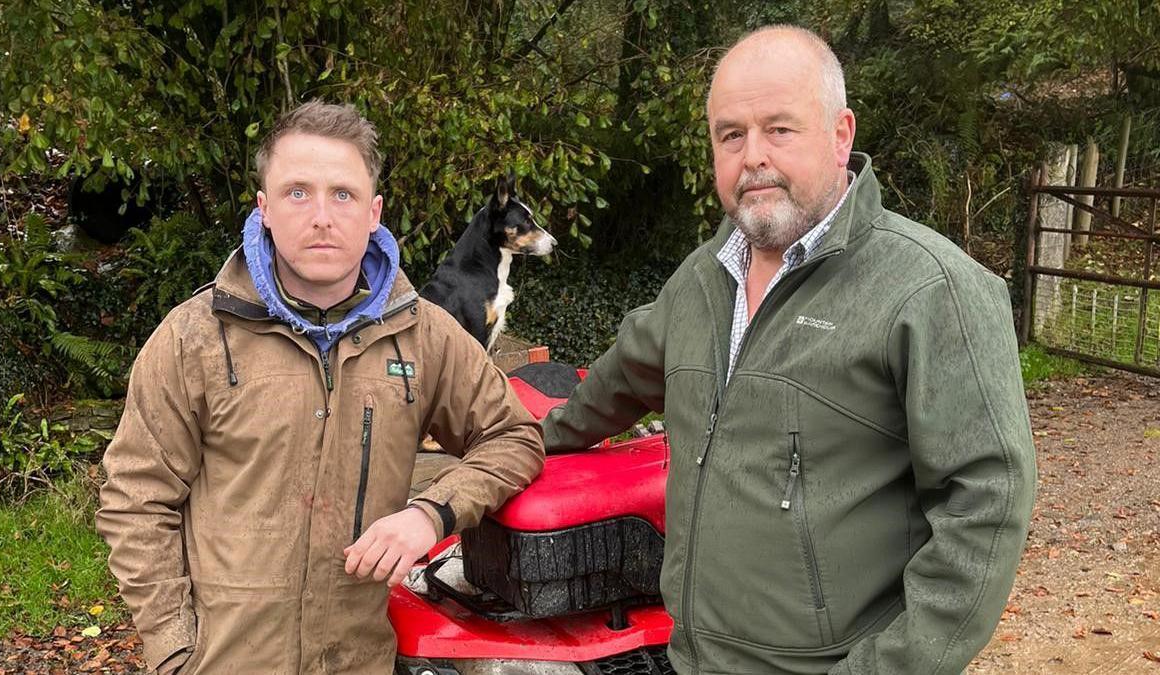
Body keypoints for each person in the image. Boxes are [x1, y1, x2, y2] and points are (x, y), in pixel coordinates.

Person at [542, 26, 1036, 674]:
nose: (752, 157)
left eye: (780, 129)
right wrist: (537, 440)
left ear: (841, 135)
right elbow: (619, 378)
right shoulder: (698, 281)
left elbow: (988, 502)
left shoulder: (930, 289)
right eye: (730, 134)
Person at [97, 100, 545, 674]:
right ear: (263, 208)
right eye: (297, 192)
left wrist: (431, 513)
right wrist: (174, 649)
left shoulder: (425, 336)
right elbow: (136, 497)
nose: (322, 216)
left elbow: (514, 437)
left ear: (374, 212)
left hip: (358, 661)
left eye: (343, 194)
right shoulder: (195, 339)